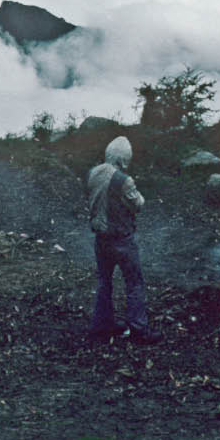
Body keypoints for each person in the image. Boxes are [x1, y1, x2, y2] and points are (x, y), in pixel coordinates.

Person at [86, 136, 163, 344]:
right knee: (134, 283)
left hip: (100, 239)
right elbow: (137, 204)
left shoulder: (92, 173)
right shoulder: (123, 180)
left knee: (104, 282)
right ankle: (139, 329)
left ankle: (101, 325)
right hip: (121, 239)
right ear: (123, 159)